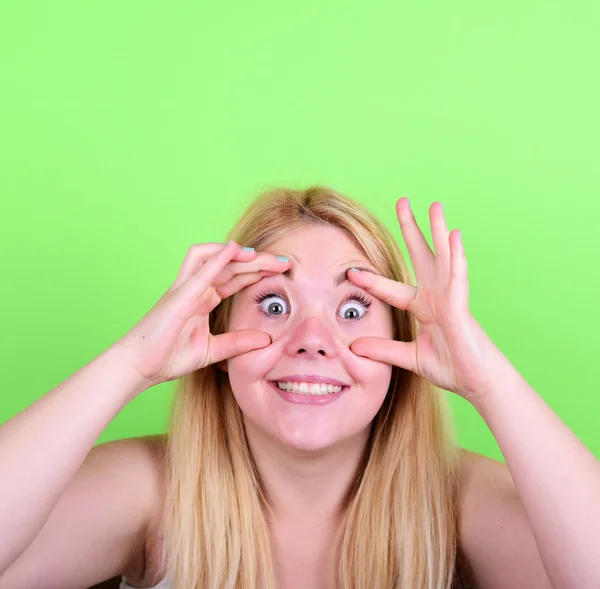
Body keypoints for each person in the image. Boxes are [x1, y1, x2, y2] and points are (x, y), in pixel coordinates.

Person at [0, 185, 597, 589]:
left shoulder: (457, 498)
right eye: (275, 303)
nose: (312, 339)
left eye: (354, 309)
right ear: (218, 333)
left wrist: (490, 382)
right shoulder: (153, 490)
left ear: (406, 347)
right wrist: (131, 363)